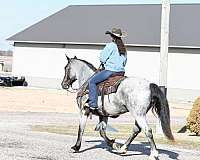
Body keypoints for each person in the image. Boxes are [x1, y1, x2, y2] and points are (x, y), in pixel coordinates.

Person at [88, 27, 127, 111]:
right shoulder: (123, 48)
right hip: (121, 72)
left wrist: (105, 62)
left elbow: (102, 58)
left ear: (112, 37)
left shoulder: (110, 46)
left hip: (110, 71)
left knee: (92, 82)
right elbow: (124, 62)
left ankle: (93, 104)